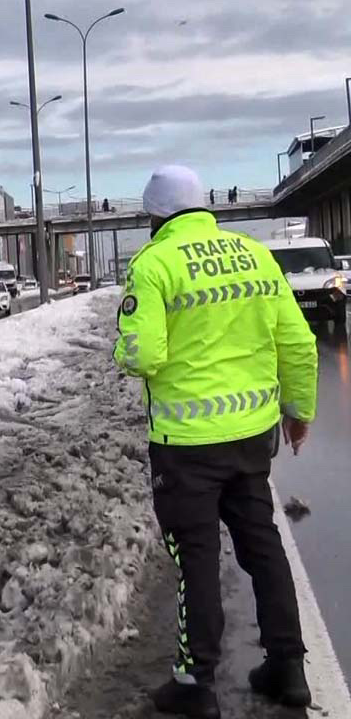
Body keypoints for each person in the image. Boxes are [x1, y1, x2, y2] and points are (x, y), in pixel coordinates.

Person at [115, 165, 318, 718]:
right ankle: (288, 666)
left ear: (155, 216)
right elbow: (298, 342)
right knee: (262, 546)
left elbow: (144, 354)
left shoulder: (154, 264)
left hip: (184, 446)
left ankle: (195, 681)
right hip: (251, 439)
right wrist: (297, 412)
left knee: (196, 556)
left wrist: (121, 349)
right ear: (203, 206)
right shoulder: (254, 256)